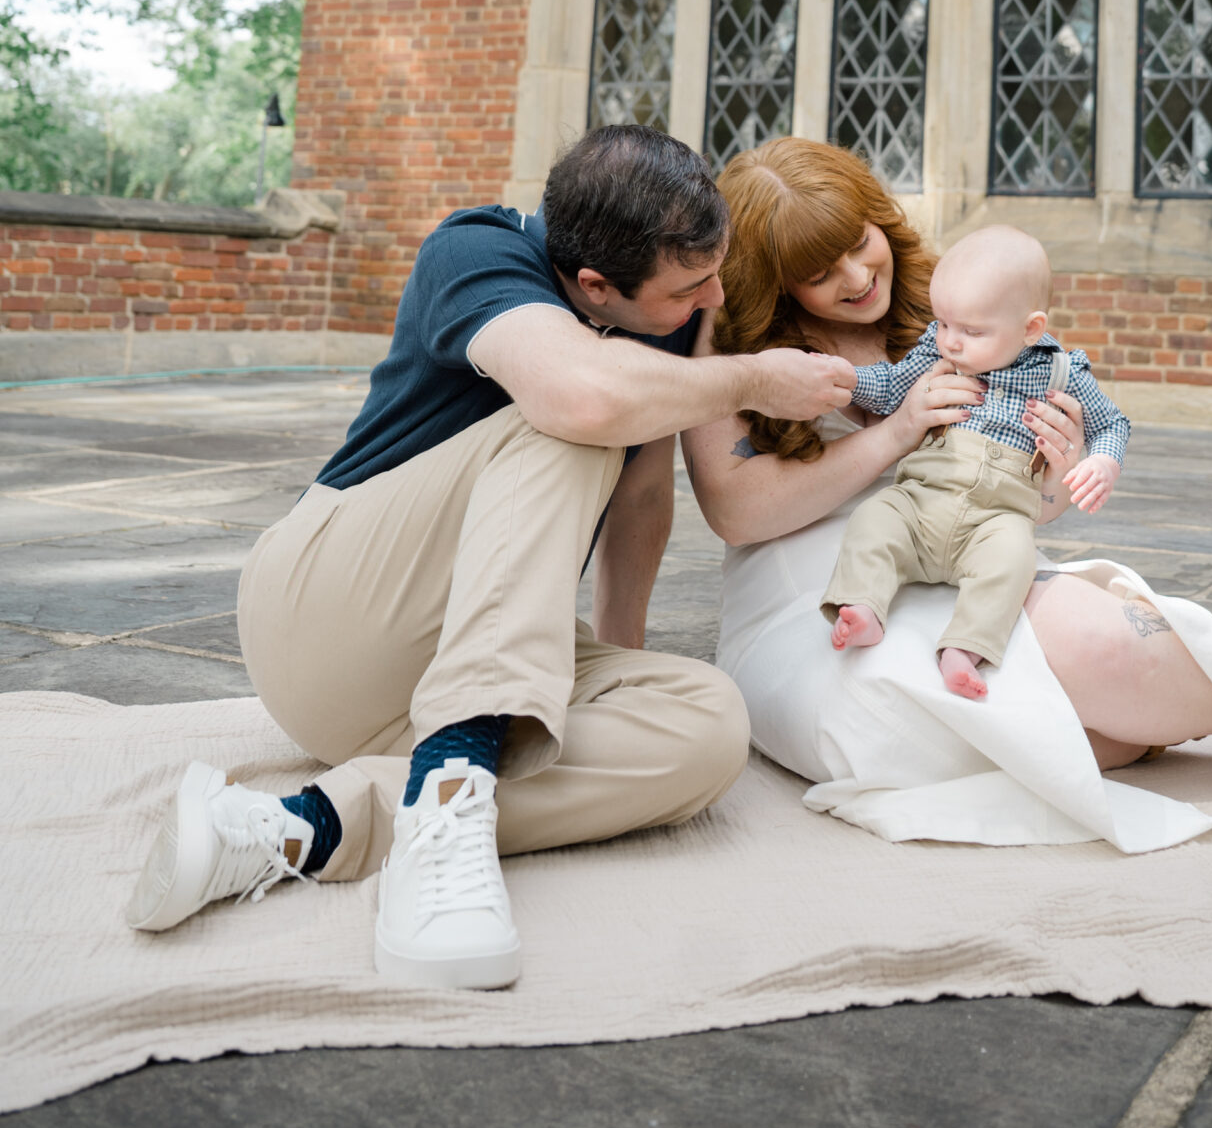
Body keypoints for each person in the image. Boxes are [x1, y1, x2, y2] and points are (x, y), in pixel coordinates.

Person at [124, 126, 853, 986]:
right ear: (593, 284)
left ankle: (305, 825)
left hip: (451, 666)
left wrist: (622, 657)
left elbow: (645, 497)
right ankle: (447, 804)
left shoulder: (660, 323)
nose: (714, 299)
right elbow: (581, 399)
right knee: (576, 414)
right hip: (325, 614)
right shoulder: (476, 251)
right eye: (691, 286)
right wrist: (751, 380)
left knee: (706, 725)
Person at [685, 140, 1212, 852]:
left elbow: (1023, 497)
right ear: (776, 279)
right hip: (822, 594)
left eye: (859, 240)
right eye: (819, 269)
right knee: (928, 737)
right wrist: (894, 431)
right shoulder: (737, 343)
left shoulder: (955, 306)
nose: (854, 275)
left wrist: (1056, 478)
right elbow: (736, 510)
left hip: (968, 554)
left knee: (1091, 659)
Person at [823, 225, 1129, 699]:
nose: (951, 342)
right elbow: (887, 390)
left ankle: (965, 649)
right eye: (944, 323)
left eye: (971, 331)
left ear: (1031, 328)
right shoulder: (934, 352)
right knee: (874, 519)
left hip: (996, 518)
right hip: (921, 501)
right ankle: (863, 607)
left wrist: (1103, 463)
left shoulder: (1062, 373)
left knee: (1013, 561)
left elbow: (1111, 423)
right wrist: (843, 378)